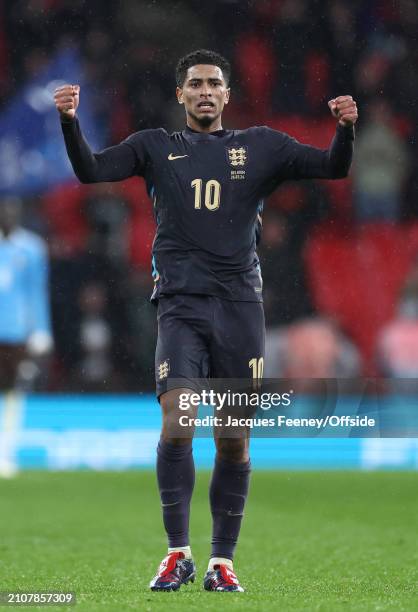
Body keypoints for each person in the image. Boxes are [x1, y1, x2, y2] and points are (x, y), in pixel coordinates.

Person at [54, 49, 357, 593]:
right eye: (194, 84)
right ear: (180, 94)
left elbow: (334, 167)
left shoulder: (260, 145)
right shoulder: (154, 147)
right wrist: (69, 122)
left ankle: (222, 562)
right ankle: (177, 553)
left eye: (214, 83)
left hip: (241, 310)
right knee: (178, 415)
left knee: (233, 440)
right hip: (180, 306)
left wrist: (345, 130)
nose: (204, 92)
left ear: (226, 94)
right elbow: (91, 170)